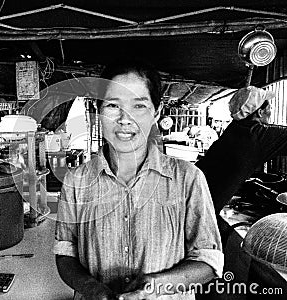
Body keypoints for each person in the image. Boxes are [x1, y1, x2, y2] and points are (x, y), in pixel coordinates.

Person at [53, 61, 223, 300]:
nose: (125, 119)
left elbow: (208, 260)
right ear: (97, 110)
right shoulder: (76, 181)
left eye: (139, 106)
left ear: (157, 112)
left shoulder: (188, 179)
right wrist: (91, 288)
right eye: (113, 105)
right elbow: (65, 252)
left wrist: (156, 284)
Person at [196, 86, 287, 214]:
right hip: (201, 207)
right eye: (269, 108)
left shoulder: (234, 129)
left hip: (195, 192)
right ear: (260, 112)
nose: (271, 112)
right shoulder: (255, 136)